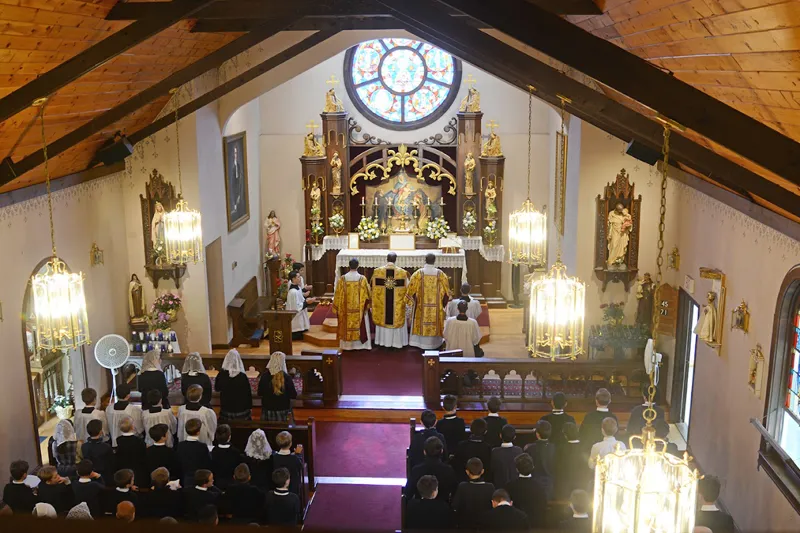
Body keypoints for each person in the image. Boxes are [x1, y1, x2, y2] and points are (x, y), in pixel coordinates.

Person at [406, 253, 451, 349]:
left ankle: (418, 342)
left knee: (420, 319)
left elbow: (410, 290)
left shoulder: (418, 273)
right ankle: (434, 343)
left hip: (421, 306)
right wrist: (442, 303)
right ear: (434, 261)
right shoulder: (440, 274)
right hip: (436, 307)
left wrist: (413, 301)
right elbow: (447, 292)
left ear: (425, 260)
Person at [372, 252, 410, 349]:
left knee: (384, 314)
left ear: (387, 259)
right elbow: (408, 289)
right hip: (397, 307)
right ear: (395, 259)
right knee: (396, 314)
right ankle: (398, 342)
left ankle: (382, 341)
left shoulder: (377, 272)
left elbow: (373, 289)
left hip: (383, 307)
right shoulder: (402, 273)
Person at [332, 259, 372, 350]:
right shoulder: (362, 279)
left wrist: (336, 308)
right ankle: (362, 345)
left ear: (348, 266)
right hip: (360, 310)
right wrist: (368, 305)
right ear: (358, 266)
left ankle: (347, 346)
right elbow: (368, 294)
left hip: (346, 310)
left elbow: (337, 294)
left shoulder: (343, 279)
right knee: (361, 323)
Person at [405, 437, 457, 501]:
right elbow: (454, 492)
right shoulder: (448, 470)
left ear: (424, 452)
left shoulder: (416, 470)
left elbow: (408, 493)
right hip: (442, 507)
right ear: (442, 451)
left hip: (420, 506)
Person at [452, 457, 495, 529]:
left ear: (467, 472)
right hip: (484, 526)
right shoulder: (490, 487)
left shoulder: (462, 486)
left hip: (466, 526)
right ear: (482, 471)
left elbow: (455, 506)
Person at [506, 453, 547, 529]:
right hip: (535, 524)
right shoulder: (539, 486)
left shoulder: (510, 486)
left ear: (517, 469)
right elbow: (543, 505)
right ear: (533, 467)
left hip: (516, 524)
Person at [258, 351, 297, 422]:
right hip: (283, 412)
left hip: (268, 411)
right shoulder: (287, 378)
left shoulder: (264, 376)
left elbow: (259, 393)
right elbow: (293, 395)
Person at [216, 349, 253, 421]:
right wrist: (250, 407)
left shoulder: (222, 374)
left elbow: (217, 388)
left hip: (226, 410)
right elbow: (248, 393)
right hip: (241, 410)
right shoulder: (242, 376)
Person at [453, 418, 492, 483]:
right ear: (485, 432)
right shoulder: (488, 447)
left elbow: (457, 465)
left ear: (470, 429)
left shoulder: (462, 445)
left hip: (463, 481)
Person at [524, 420, 556, 500]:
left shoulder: (530, 448)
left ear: (537, 434)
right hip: (551, 488)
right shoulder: (554, 448)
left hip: (534, 486)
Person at [556, 422, 589, 499]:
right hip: (582, 485)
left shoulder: (561, 449)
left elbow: (559, 468)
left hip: (565, 488)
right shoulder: (585, 447)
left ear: (565, 435)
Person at [176, 418, 212, 489]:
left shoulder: (180, 445)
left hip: (185, 478)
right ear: (198, 432)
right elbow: (208, 463)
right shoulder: (202, 446)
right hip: (199, 479)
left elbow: (178, 462)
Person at [579, 388, 617, 453]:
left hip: (590, 451)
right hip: (609, 452)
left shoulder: (589, 417)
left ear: (596, 401)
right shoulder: (613, 417)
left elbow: (582, 435)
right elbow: (616, 435)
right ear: (609, 401)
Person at [116, 416, 147, 485]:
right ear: (133, 427)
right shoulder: (139, 441)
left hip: (123, 469)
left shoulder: (119, 440)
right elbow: (143, 456)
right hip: (137, 470)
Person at [211, 424, 244, 490]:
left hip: (216, 485)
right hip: (232, 485)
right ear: (229, 437)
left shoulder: (213, 452)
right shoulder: (235, 452)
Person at [272, 431, 305, 496]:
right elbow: (300, 465)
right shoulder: (294, 458)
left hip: (277, 487)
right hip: (293, 489)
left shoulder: (274, 457)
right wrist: (298, 454)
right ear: (290, 444)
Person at [491, 425, 523, 489]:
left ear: (500, 435)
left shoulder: (495, 452)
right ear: (514, 437)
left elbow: (492, 469)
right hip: (515, 487)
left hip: (499, 487)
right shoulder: (518, 451)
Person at [82, 419, 114, 484]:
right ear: (100, 432)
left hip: (91, 476)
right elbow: (111, 463)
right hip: (105, 477)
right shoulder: (106, 447)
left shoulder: (84, 446)